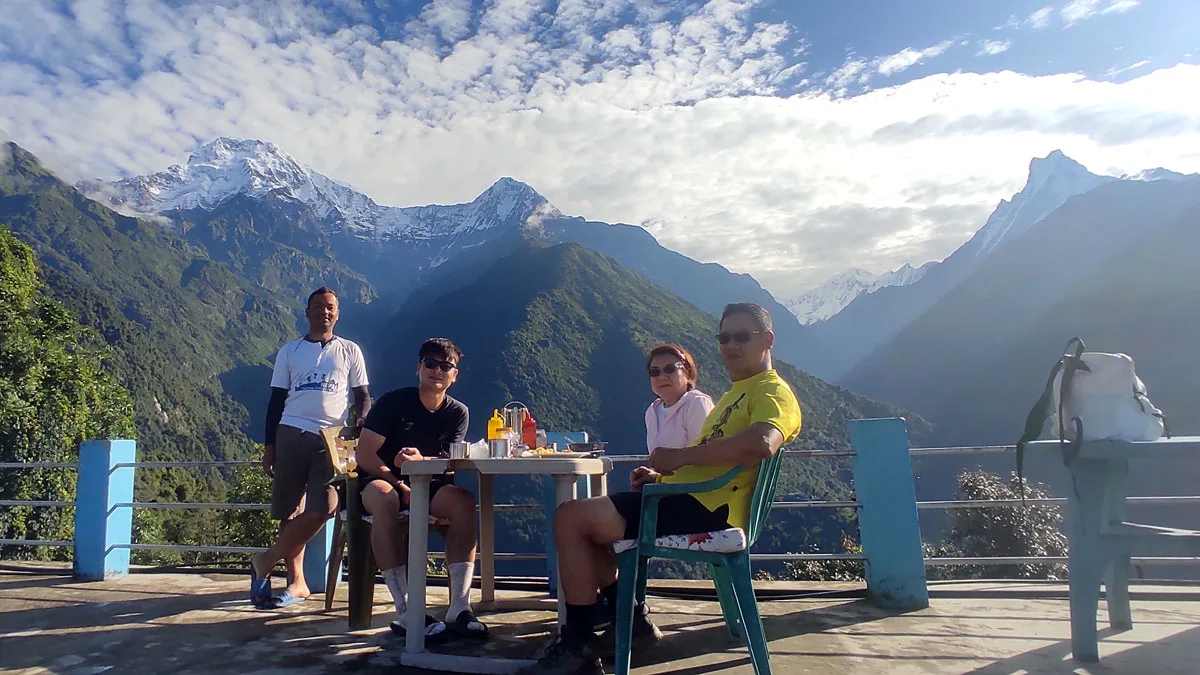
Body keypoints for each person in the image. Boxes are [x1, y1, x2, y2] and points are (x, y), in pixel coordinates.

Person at [518, 303, 803, 675]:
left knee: (571, 519)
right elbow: (712, 461)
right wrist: (660, 478)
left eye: (741, 336)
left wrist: (681, 457)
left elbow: (763, 441)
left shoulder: (771, 391)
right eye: (723, 337)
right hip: (683, 497)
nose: (730, 344)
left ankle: (579, 642)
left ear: (767, 340)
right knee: (583, 526)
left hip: (707, 510)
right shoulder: (737, 393)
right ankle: (629, 623)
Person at [354, 337, 488, 641]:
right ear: (418, 368)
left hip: (429, 486)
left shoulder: (458, 413)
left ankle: (459, 608)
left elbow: (448, 461)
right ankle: (407, 610)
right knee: (386, 501)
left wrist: (421, 463)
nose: (437, 370)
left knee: (463, 501)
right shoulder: (392, 403)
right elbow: (365, 455)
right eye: (430, 363)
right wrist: (400, 483)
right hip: (380, 480)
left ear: (455, 375)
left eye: (445, 366)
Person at [251, 287, 371, 609]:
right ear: (307, 312)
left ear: (338, 313)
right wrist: (270, 446)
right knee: (290, 511)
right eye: (318, 307)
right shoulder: (289, 351)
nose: (324, 313)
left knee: (324, 508)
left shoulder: (350, 351)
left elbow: (362, 397)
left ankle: (265, 560)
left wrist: (360, 426)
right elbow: (276, 401)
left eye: (330, 307)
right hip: (290, 431)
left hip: (333, 439)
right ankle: (297, 583)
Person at [643, 343, 714, 452]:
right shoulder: (652, 411)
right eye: (655, 372)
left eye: (669, 369)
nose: (662, 377)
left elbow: (705, 454)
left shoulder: (696, 404)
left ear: (687, 372)